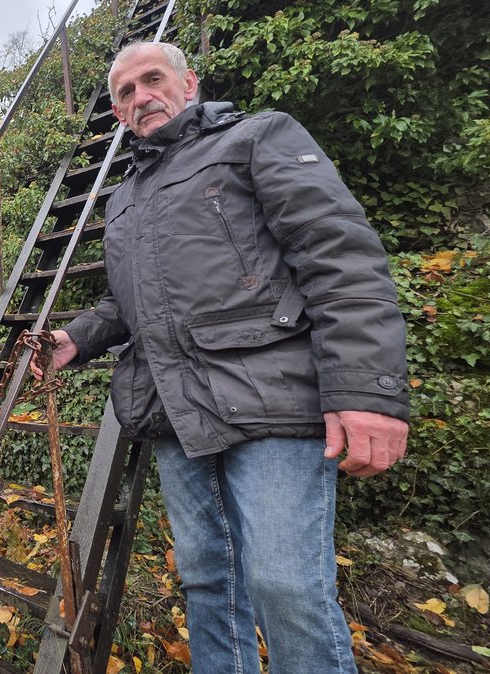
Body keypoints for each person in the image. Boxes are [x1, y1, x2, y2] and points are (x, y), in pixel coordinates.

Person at [39, 42, 409, 673]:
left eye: (151, 81)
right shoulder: (123, 200)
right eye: (124, 93)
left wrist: (365, 391)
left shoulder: (259, 137)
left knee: (286, 587)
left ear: (189, 84)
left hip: (271, 399)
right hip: (175, 416)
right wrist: (77, 336)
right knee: (209, 580)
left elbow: (338, 253)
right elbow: (132, 302)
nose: (139, 98)